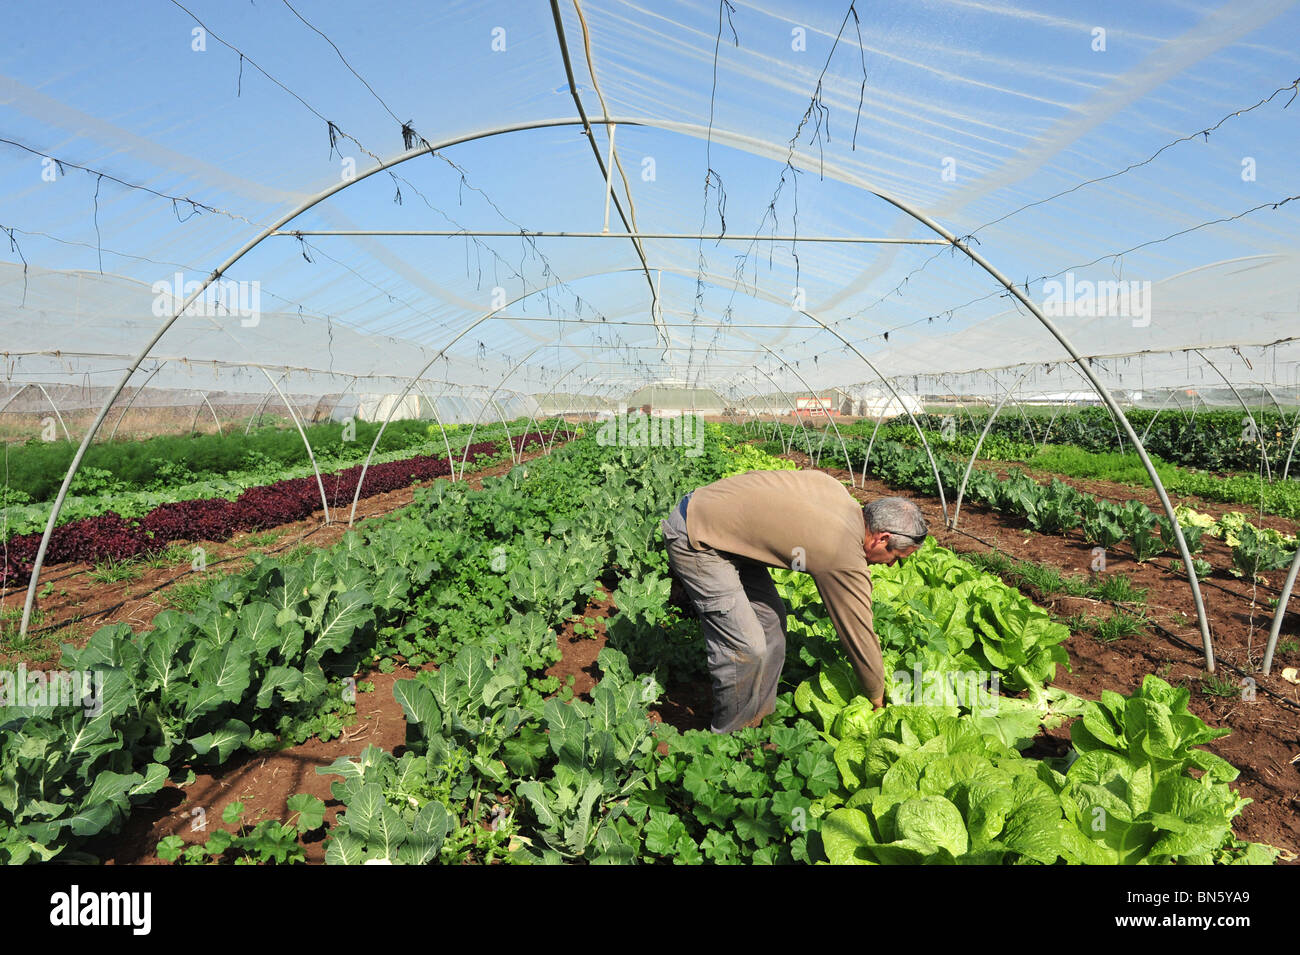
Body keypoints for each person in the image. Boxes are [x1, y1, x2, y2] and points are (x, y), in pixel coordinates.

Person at [660, 468, 927, 733]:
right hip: (697, 536)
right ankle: (729, 740)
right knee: (746, 647)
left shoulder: (840, 496)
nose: (892, 567)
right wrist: (877, 698)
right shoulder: (840, 551)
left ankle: (757, 724)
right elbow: (858, 634)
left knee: (772, 627)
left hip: (728, 532)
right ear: (882, 539)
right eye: (897, 558)